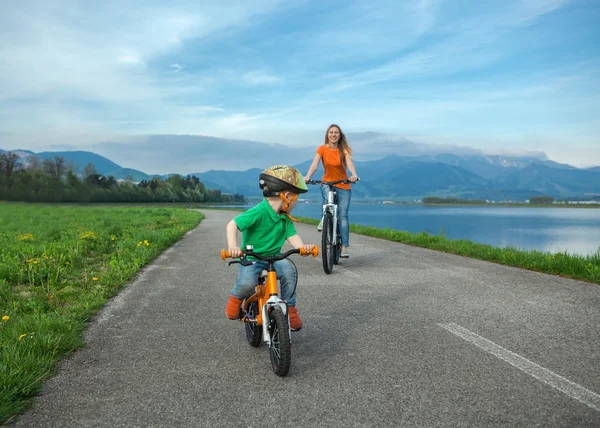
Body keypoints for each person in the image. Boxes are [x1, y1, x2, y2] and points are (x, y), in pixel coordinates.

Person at [224, 165, 315, 331]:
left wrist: (302, 248)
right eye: (296, 198)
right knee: (248, 282)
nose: (296, 202)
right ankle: (236, 299)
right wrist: (233, 246)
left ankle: (291, 309)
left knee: (289, 272)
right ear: (287, 196)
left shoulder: (284, 218)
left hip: (274, 257)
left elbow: (292, 237)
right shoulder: (259, 211)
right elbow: (233, 224)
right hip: (252, 258)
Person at [304, 124, 359, 258]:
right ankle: (324, 218)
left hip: (343, 184)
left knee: (342, 215)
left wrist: (353, 175)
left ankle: (344, 247)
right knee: (326, 202)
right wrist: (308, 177)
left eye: (336, 133)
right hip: (327, 182)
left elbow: (349, 163)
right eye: (331, 132)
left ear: (339, 135)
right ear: (327, 135)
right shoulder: (322, 149)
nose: (334, 135)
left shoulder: (343, 149)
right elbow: (315, 164)